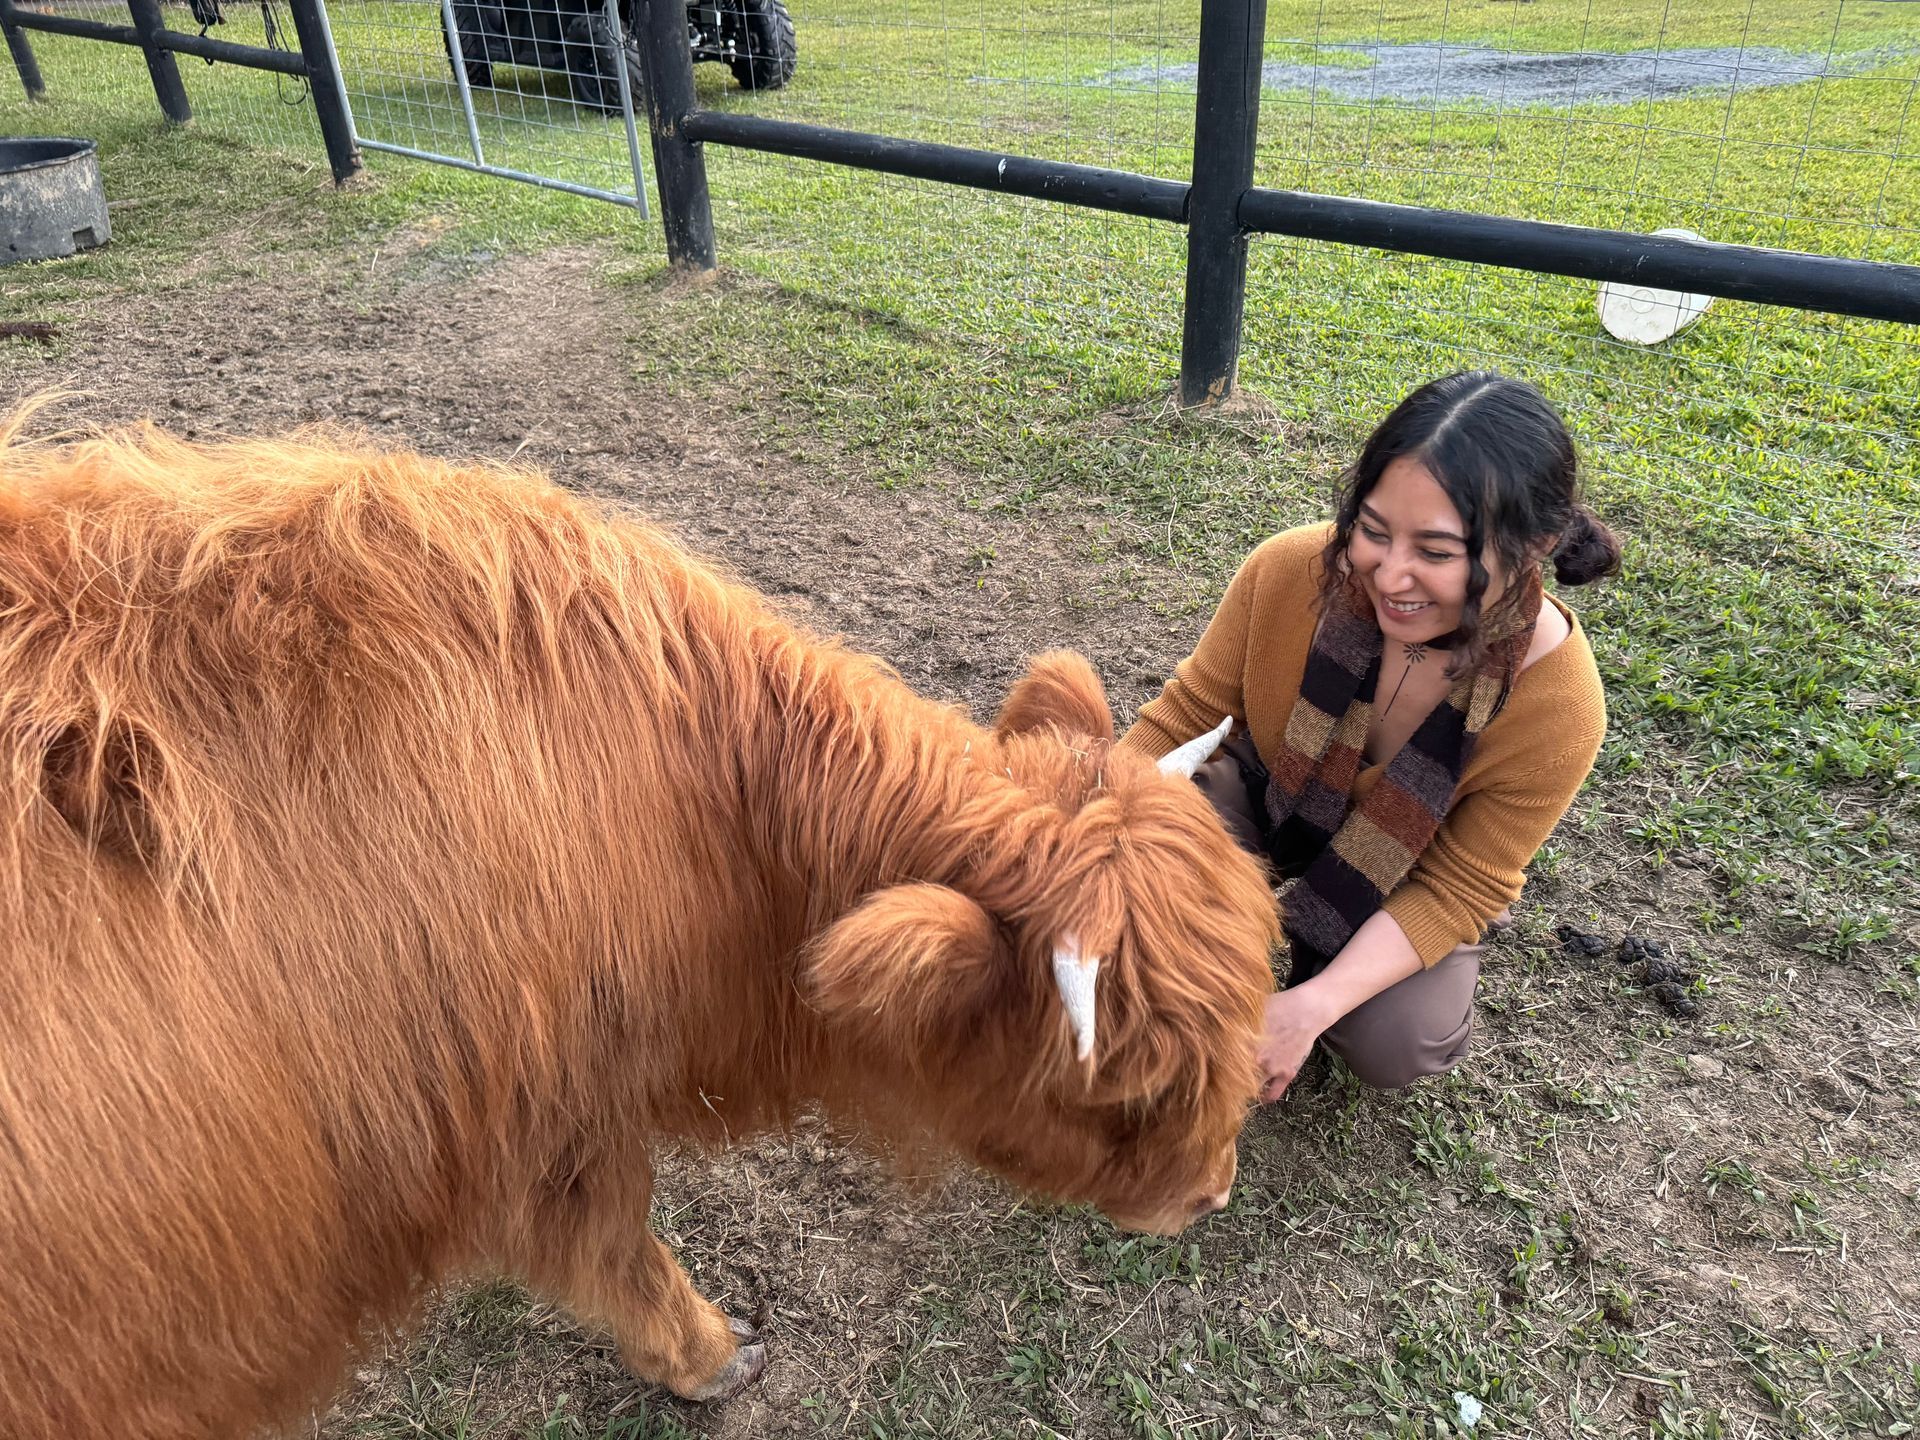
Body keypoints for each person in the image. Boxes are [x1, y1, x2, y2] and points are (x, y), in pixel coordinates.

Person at [1117, 371, 1619, 1101]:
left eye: (1438, 552)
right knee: (1137, 881)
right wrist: (1081, 834)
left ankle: (1325, 973)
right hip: (1269, 788)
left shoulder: (1561, 704)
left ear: (1536, 544)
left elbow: (1462, 882)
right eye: (1374, 531)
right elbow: (1185, 714)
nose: (1392, 575)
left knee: (1396, 1040)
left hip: (1411, 864)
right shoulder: (1290, 570)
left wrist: (1308, 1009)